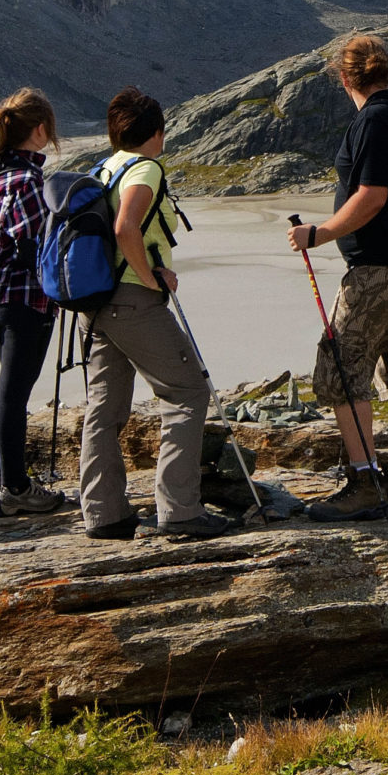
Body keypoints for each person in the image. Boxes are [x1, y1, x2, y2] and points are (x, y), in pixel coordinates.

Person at [285, 32, 388, 521]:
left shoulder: (373, 120)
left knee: (341, 369)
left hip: (376, 270)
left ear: (344, 76)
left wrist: (321, 233)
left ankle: (362, 482)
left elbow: (372, 194)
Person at [76, 88, 232, 541]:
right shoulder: (144, 167)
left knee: (104, 407)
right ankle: (180, 510)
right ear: (158, 133)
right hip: (132, 301)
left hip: (96, 305)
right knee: (186, 392)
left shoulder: (104, 168)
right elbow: (127, 227)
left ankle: (103, 513)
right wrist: (150, 277)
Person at [0, 88, 66, 516]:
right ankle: (16, 490)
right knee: (15, 391)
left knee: (6, 387)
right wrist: (62, 286)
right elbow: (31, 246)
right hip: (24, 297)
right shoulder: (25, 180)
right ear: (40, 129)